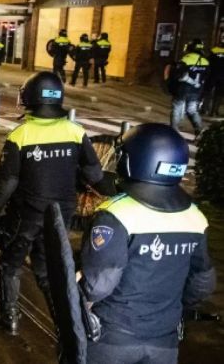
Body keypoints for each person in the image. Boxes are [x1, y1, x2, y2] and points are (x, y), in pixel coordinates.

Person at [81, 123, 215, 364]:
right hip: (165, 341)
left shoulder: (116, 214)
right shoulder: (195, 217)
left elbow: (99, 285)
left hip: (112, 339)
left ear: (135, 160)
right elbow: (202, 284)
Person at [0, 71, 103, 335]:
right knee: (49, 272)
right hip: (60, 218)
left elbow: (6, 184)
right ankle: (65, 325)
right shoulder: (76, 132)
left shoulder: (20, 136)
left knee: (10, 264)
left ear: (30, 100)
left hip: (25, 216)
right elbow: (95, 175)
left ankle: (10, 319)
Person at [168, 38, 209, 135]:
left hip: (182, 90)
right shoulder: (205, 61)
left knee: (177, 109)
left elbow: (178, 75)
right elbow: (206, 77)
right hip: (196, 90)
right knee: (192, 110)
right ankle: (199, 132)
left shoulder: (186, 59)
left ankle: (174, 132)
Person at [201, 38, 223, 117]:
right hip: (222, 77)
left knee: (208, 92)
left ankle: (204, 109)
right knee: (219, 95)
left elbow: (208, 62)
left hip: (212, 75)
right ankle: (214, 111)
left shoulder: (213, 50)